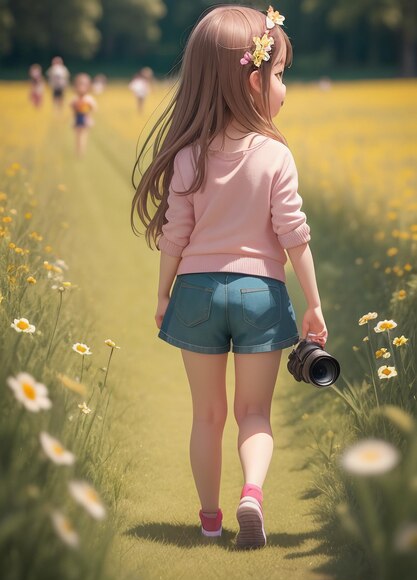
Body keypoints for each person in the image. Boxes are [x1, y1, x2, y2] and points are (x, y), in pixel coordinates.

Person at [131, 4, 328, 550]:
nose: (283, 85)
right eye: (279, 73)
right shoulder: (275, 155)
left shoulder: (190, 153)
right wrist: (313, 302)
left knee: (207, 416)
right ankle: (252, 494)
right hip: (260, 293)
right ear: (251, 79)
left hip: (196, 291)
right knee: (253, 413)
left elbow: (176, 233)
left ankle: (211, 519)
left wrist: (163, 291)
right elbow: (295, 235)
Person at [69, 73, 97, 158]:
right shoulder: (75, 99)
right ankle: (78, 150)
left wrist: (87, 111)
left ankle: (81, 151)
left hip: (85, 119)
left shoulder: (88, 99)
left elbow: (94, 108)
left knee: (83, 135)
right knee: (78, 136)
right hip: (77, 119)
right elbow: (72, 106)